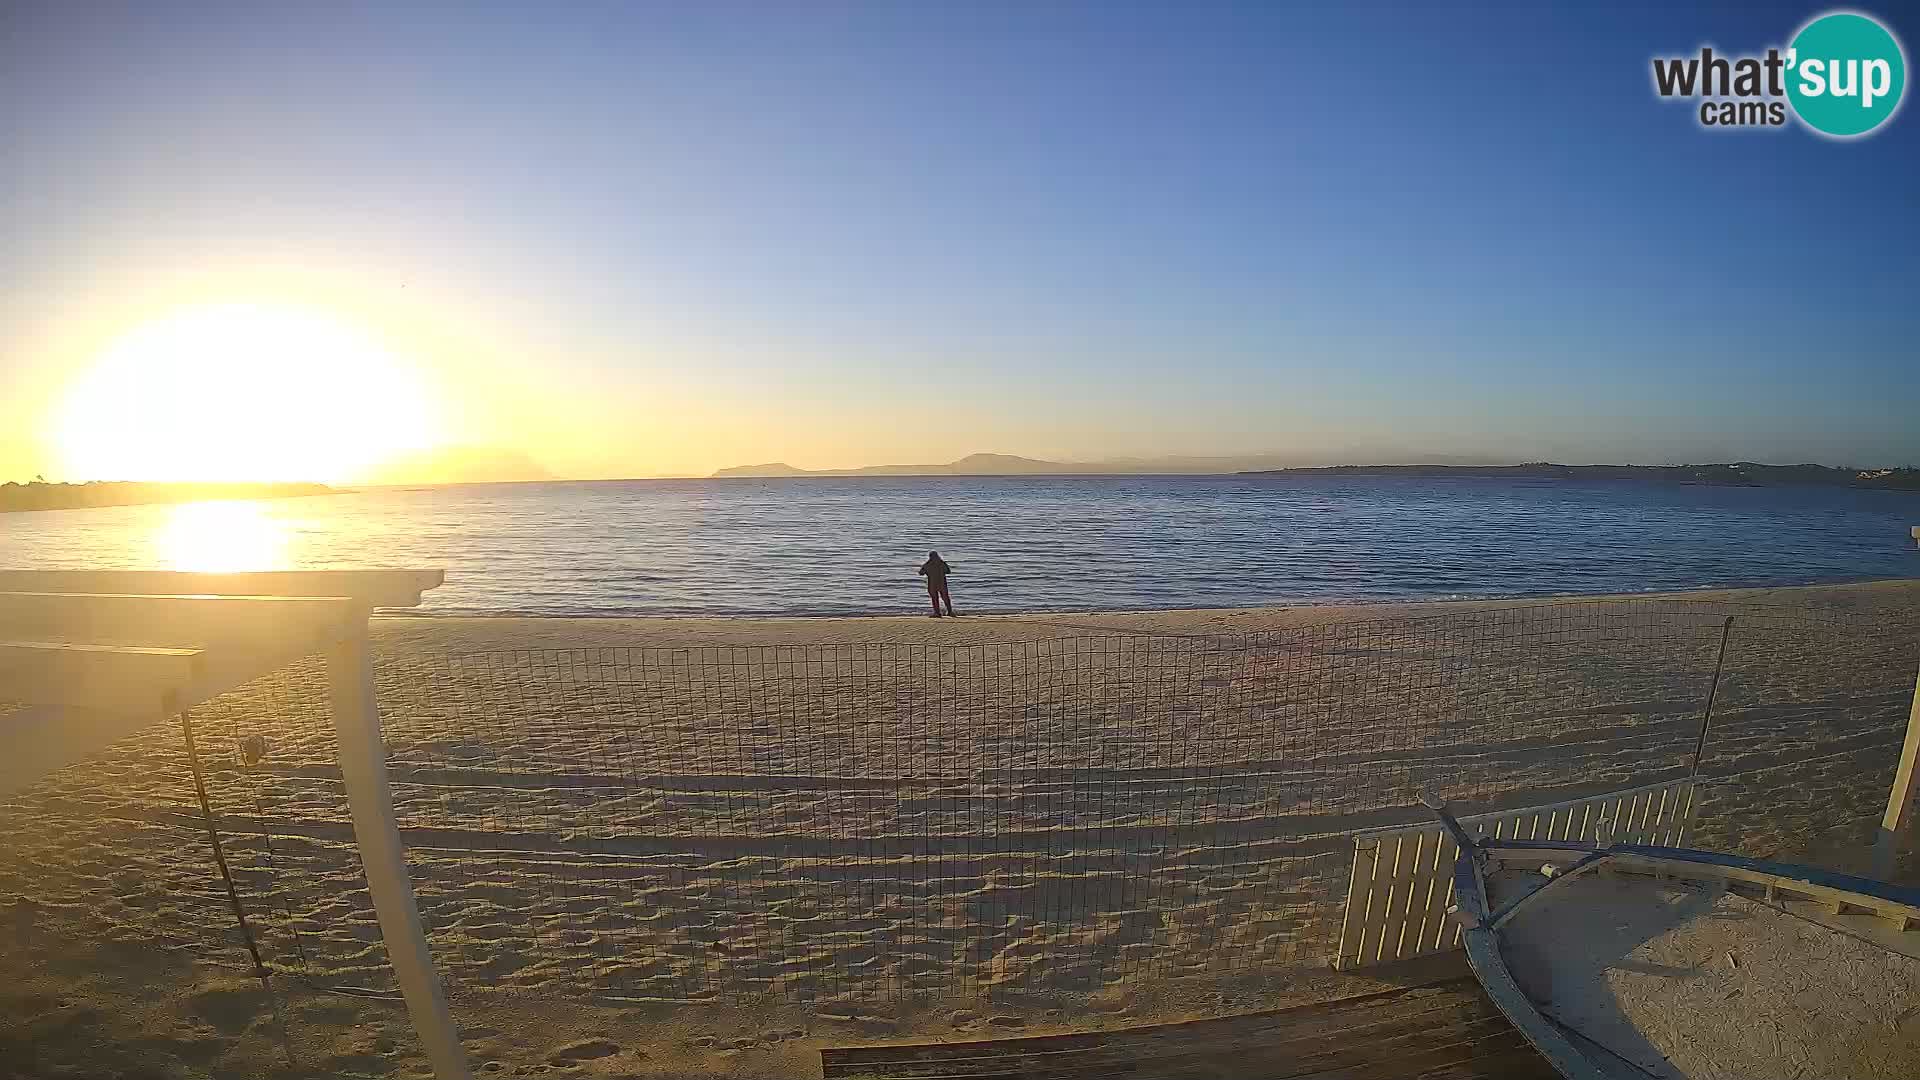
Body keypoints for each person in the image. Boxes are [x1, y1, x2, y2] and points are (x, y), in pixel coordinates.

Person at [917, 550, 955, 617]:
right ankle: (950, 612)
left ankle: (937, 613)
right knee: (945, 598)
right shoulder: (942, 563)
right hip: (942, 583)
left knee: (934, 599)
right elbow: (948, 571)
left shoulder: (927, 564)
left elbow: (921, 573)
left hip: (932, 584)